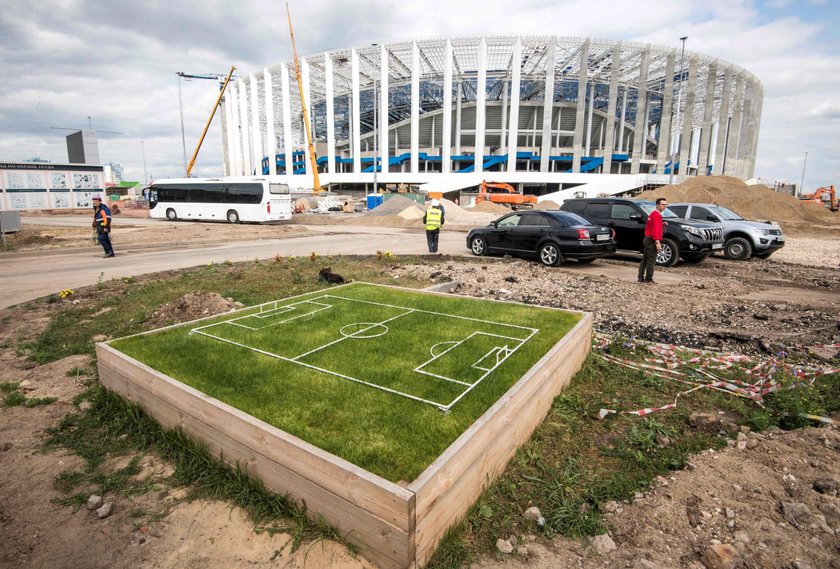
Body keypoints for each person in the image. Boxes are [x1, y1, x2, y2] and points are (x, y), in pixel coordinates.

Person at [638, 197, 667, 283]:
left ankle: (640, 277)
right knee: (651, 260)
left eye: (666, 205)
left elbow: (653, 226)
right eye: (662, 205)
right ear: (657, 205)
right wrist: (657, 242)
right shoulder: (656, 215)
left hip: (647, 239)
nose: (664, 206)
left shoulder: (654, 214)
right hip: (651, 240)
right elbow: (655, 229)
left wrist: (662, 224)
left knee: (645, 259)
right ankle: (649, 278)